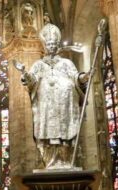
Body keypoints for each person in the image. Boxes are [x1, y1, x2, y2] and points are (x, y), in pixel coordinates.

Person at [17, 23, 88, 169]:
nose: (51, 46)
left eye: (54, 44)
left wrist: (83, 77)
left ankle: (66, 161)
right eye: (48, 43)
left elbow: (75, 77)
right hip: (46, 108)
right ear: (44, 46)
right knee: (48, 134)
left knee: (65, 133)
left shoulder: (66, 63)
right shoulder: (38, 65)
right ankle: (50, 161)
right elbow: (32, 80)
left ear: (57, 46)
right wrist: (24, 73)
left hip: (64, 107)